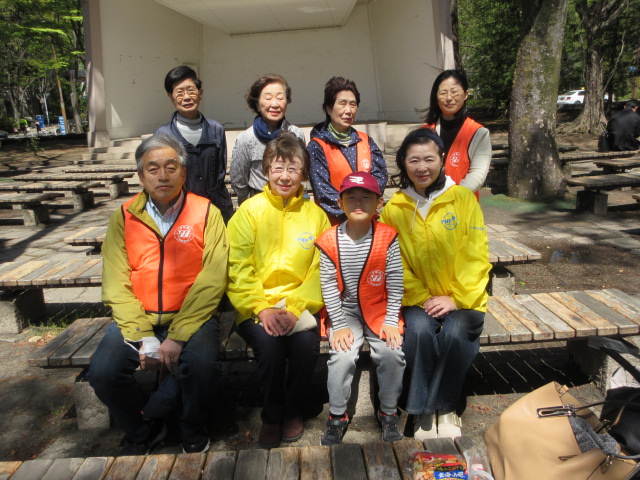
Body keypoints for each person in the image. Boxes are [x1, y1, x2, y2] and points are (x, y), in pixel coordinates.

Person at [88, 134, 228, 455]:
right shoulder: (123, 217)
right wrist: (142, 336)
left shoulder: (207, 213)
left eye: (170, 167)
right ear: (140, 175)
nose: (162, 175)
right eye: (153, 169)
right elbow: (115, 282)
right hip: (139, 317)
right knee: (103, 373)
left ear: (183, 172)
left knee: (203, 366)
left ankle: (191, 425)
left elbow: (213, 278)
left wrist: (177, 337)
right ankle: (144, 425)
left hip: (193, 318)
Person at [380, 128, 490, 440]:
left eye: (429, 158)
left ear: (442, 160)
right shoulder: (395, 208)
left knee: (456, 332)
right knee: (418, 331)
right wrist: (421, 296)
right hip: (417, 298)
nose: (422, 167)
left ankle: (444, 407)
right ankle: (424, 412)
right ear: (403, 163)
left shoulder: (462, 199)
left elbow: (476, 252)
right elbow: (393, 260)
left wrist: (457, 297)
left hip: (463, 297)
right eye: (414, 160)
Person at [226, 131, 330, 449]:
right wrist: (261, 307)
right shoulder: (248, 212)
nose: (285, 176)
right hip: (256, 306)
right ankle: (272, 416)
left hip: (299, 306)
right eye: (278, 167)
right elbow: (237, 266)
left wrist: (297, 306)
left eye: (293, 168)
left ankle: (293, 409)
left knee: (304, 348)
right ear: (267, 169)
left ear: (304, 173)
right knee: (269, 351)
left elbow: (321, 269)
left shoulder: (316, 215)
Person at [315, 171, 405, 445]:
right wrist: (339, 324)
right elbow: (328, 286)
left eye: (365, 198)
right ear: (340, 202)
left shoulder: (387, 236)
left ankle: (388, 411)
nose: (357, 203)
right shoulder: (329, 239)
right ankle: (338, 415)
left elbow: (396, 281)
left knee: (392, 352)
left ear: (379, 203)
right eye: (350, 198)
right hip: (345, 311)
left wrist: (391, 319)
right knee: (341, 356)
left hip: (379, 309)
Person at [156, 65, 234, 222]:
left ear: (200, 93)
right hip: (179, 212)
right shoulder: (163, 135)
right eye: (179, 92)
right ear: (170, 97)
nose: (186, 97)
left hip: (215, 210)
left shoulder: (216, 129)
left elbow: (219, 173)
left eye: (191, 90)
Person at [307, 76, 387, 225]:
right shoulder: (317, 146)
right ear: (329, 108)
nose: (348, 110)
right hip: (334, 226)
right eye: (342, 104)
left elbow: (380, 178)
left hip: (368, 223)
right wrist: (354, 214)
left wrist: (365, 212)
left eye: (353, 104)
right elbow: (323, 191)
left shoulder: (367, 141)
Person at [230, 73, 305, 205]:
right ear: (257, 104)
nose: (275, 104)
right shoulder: (246, 138)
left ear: (287, 102)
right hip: (258, 204)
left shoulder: (296, 134)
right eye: (268, 98)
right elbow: (238, 180)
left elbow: (301, 171)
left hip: (292, 204)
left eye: (280, 98)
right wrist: (252, 203)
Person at [419, 69, 491, 199]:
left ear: (465, 94)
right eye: (443, 93)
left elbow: (478, 174)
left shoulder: (478, 133)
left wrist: (451, 197)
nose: (449, 98)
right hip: (429, 204)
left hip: (462, 205)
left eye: (454, 92)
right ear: (436, 97)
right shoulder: (423, 133)